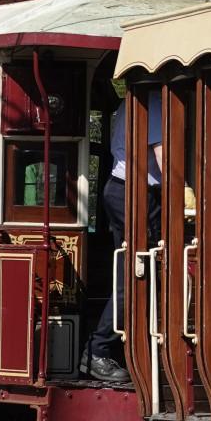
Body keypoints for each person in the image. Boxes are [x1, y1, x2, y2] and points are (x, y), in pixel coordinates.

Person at [85, 89, 161, 386]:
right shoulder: (153, 101)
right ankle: (99, 350)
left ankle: (106, 349)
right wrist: (184, 194)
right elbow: (163, 156)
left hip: (123, 189)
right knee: (135, 275)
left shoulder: (128, 100)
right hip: (134, 192)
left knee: (129, 275)